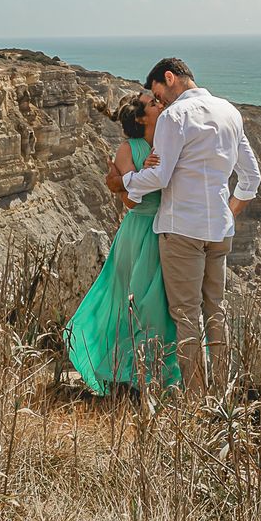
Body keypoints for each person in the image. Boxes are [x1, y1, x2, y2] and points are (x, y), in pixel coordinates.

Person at [105, 58, 260, 391]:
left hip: (181, 231)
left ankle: (196, 397)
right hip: (220, 230)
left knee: (187, 316)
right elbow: (252, 176)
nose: (159, 101)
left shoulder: (175, 117)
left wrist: (125, 180)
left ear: (170, 78)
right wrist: (229, 212)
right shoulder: (230, 112)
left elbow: (161, 176)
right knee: (215, 309)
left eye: (158, 92)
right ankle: (223, 390)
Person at [65, 94, 181, 393]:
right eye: (154, 104)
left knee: (165, 305)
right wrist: (145, 174)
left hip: (170, 229)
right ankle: (131, 373)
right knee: (139, 303)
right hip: (140, 230)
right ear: (141, 118)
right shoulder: (129, 148)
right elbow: (128, 199)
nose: (161, 104)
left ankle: (166, 375)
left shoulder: (170, 140)